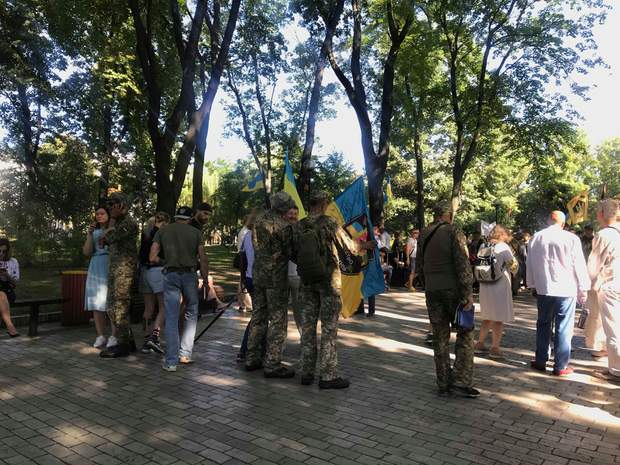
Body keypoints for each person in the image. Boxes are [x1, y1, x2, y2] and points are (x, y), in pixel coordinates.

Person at [293, 191, 375, 389]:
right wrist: (366, 245)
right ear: (323, 203)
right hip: (328, 282)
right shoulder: (329, 223)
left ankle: (306, 372)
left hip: (307, 281)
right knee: (329, 329)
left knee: (308, 328)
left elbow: (292, 252)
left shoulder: (299, 225)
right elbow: (350, 247)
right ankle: (328, 376)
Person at [415, 201, 478, 398]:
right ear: (449, 215)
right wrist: (467, 294)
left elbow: (420, 265)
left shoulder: (424, 234)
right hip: (453, 290)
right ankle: (461, 381)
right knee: (465, 332)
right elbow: (462, 263)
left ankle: (442, 382)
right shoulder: (453, 231)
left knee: (440, 336)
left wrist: (428, 285)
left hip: (432, 290)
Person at [527, 211, 589, 376]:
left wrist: (532, 284)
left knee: (543, 323)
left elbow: (530, 262)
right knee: (564, 326)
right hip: (566, 288)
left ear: (548, 221)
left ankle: (541, 360)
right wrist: (583, 287)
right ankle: (560, 365)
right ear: (563, 223)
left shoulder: (536, 237)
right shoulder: (571, 238)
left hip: (544, 287)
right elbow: (579, 264)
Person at [150, 206, 209, 372]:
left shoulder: (163, 231)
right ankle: (185, 355)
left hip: (170, 275)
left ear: (175, 217)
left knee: (171, 316)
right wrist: (205, 279)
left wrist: (166, 262)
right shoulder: (196, 233)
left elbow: (152, 257)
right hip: (190, 275)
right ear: (190, 218)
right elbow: (203, 258)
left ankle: (170, 361)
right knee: (191, 313)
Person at [244, 191, 297, 378]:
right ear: (285, 207)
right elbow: (291, 252)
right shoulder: (284, 226)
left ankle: (251, 358)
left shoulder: (259, 221)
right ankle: (272, 363)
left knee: (258, 316)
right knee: (278, 320)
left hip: (258, 275)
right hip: (276, 278)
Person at [99, 192, 139, 358]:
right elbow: (102, 241)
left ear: (122, 205)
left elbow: (108, 238)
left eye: (113, 203)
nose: (110, 207)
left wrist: (112, 221)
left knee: (120, 306)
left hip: (124, 271)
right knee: (111, 306)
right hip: (115, 269)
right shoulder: (118, 222)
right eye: (109, 203)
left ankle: (123, 344)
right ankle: (128, 341)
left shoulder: (129, 223)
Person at [474, 225, 518, 358]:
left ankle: (480, 343)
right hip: (499, 284)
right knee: (498, 318)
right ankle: (495, 347)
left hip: (485, 284)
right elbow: (513, 266)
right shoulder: (503, 247)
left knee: (488, 315)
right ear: (502, 234)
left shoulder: (484, 246)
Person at [588, 199, 620, 380]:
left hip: (610, 285)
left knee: (613, 328)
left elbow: (594, 264)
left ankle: (616, 370)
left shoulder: (603, 235)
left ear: (601, 214)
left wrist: (589, 285)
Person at [138, 211, 170, 354]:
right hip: (157, 271)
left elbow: (142, 256)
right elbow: (156, 256)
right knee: (164, 306)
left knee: (148, 309)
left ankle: (146, 340)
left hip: (144, 272)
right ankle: (155, 337)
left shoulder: (145, 236)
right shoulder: (159, 236)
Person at [83, 205, 115, 348]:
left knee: (111, 302)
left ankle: (114, 336)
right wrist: (89, 235)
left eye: (102, 213)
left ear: (108, 215)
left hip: (110, 264)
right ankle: (100, 335)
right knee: (96, 302)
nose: (99, 216)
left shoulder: (115, 229)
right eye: (97, 214)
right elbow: (86, 252)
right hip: (96, 266)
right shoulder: (94, 232)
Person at [286, 206, 303, 335]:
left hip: (297, 276)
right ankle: (278, 341)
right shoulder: (279, 230)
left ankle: (304, 338)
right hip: (281, 277)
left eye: (295, 214)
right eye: (290, 213)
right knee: (279, 312)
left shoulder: (301, 231)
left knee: (300, 311)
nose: (293, 216)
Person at [0, 238, 20, 337]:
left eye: (4, 251)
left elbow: (15, 284)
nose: (1, 253)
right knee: (1, 295)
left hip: (8, 291)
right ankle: (11, 327)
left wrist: (7, 276)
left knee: (2, 295)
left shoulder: (13, 262)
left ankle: (10, 327)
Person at [236, 214, 253, 312]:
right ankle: (245, 304)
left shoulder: (244, 231)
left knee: (242, 281)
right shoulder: (246, 233)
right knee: (242, 282)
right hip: (245, 260)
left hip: (245, 260)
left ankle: (243, 304)